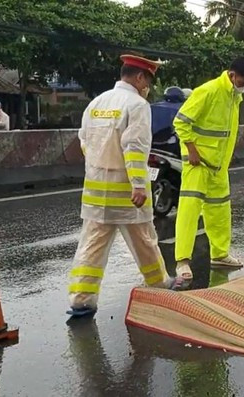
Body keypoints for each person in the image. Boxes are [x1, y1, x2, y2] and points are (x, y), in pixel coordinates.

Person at [67, 54, 179, 317]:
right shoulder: (137, 105)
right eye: (148, 80)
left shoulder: (96, 103)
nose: (148, 87)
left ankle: (81, 300)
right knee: (145, 240)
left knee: (91, 247)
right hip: (127, 191)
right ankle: (159, 283)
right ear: (140, 77)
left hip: (95, 190)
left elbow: (84, 142)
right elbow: (135, 148)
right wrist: (139, 185)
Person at [172, 57, 244, 285]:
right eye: (242, 80)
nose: (243, 85)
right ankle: (182, 261)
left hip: (219, 166)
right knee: (190, 211)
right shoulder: (208, 91)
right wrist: (191, 149)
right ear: (232, 75)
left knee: (220, 211)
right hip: (198, 163)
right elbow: (180, 122)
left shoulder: (234, 97)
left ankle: (220, 255)